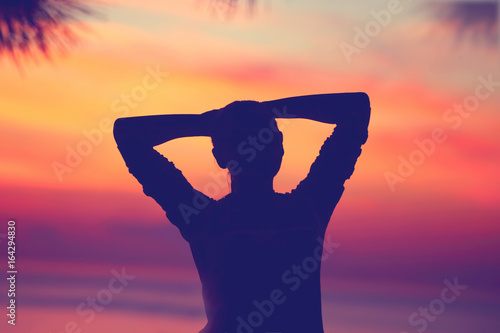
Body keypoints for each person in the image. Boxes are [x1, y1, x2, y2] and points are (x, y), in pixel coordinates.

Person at [113, 92, 371, 333]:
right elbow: (355, 110)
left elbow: (128, 135)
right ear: (219, 156)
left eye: (267, 138)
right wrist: (265, 112)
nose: (260, 148)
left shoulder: (202, 218)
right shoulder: (306, 210)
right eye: (245, 140)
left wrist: (214, 123)